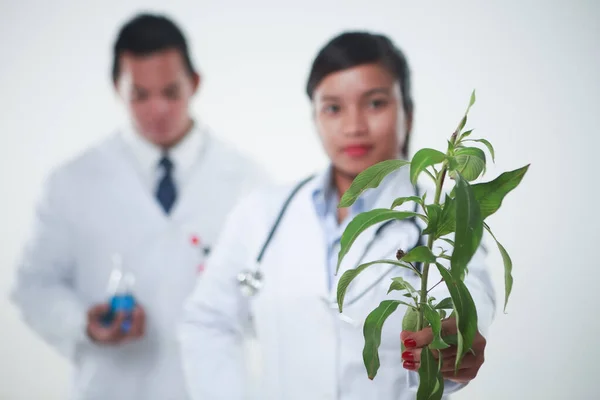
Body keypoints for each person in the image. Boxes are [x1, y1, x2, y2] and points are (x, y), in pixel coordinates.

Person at [178, 31, 497, 400]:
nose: (353, 126)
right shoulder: (261, 213)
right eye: (333, 108)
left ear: (407, 113)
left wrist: (462, 333)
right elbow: (207, 321)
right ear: (314, 117)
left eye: (375, 103)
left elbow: (472, 290)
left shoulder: (442, 219)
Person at [10, 12, 270, 400]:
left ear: (194, 83)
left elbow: (267, 289)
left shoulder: (247, 179)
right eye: (140, 95)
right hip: (113, 387)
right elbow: (33, 285)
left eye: (170, 92)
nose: (157, 110)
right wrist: (83, 322)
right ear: (118, 87)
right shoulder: (71, 182)